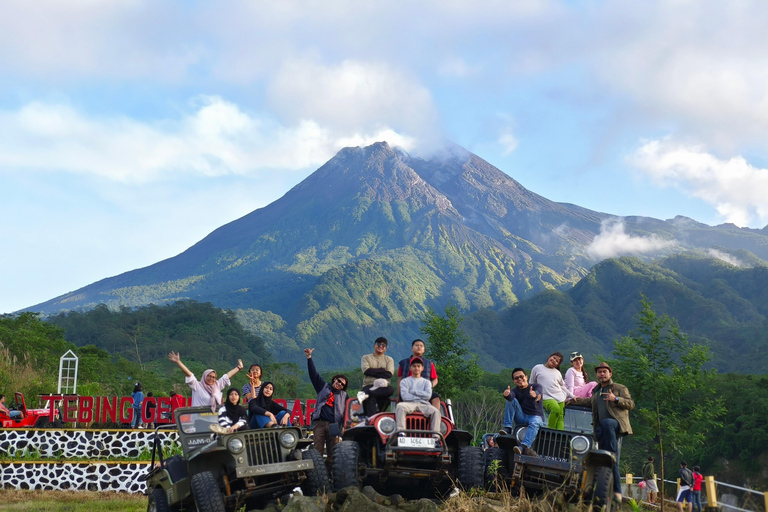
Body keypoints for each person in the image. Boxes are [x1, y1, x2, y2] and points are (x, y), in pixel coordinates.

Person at [574, 361, 634, 504]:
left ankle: (617, 490)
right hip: (602, 430)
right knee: (603, 458)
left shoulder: (618, 388)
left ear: (610, 373)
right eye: (599, 372)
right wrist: (571, 400)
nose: (601, 374)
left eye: (604, 371)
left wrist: (616, 399)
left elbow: (631, 403)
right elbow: (589, 403)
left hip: (616, 425)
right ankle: (607, 492)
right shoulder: (596, 391)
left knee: (612, 454)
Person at [305, 348, 348, 467]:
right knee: (317, 452)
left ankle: (330, 477)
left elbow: (347, 412)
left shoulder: (344, 396)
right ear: (335, 379)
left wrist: (343, 426)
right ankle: (318, 477)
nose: (339, 384)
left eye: (342, 384)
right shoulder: (323, 387)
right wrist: (309, 358)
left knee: (333, 454)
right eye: (339, 381)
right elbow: (313, 374)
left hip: (334, 425)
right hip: (319, 423)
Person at [168, 351, 243, 411]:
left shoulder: (217, 385)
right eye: (209, 376)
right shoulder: (197, 386)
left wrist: (238, 368)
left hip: (214, 418)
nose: (211, 379)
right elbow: (189, 374)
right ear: (204, 376)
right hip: (199, 419)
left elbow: (227, 376)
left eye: (214, 377)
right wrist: (178, 362)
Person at [500, 367, 544, 457]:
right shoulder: (514, 390)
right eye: (516, 378)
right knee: (510, 400)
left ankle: (523, 446)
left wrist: (534, 395)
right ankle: (507, 428)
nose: (519, 379)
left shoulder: (536, 386)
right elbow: (511, 396)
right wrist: (507, 395)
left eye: (521, 376)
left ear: (526, 377)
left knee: (535, 422)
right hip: (522, 417)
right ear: (514, 381)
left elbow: (538, 394)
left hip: (535, 416)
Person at [396, 357, 441, 439]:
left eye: (418, 366)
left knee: (436, 412)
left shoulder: (427, 382)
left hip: (424, 404)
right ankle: (401, 433)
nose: (416, 368)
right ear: (410, 368)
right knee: (400, 406)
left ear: (422, 368)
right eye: (414, 366)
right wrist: (421, 395)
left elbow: (428, 395)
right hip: (409, 404)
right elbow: (405, 396)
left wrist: (413, 391)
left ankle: (435, 437)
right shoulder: (404, 381)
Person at [530, 352, 574, 429]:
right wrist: (531, 394)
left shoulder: (557, 373)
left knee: (560, 418)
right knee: (555, 409)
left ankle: (560, 439)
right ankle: (551, 431)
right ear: (549, 356)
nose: (554, 361)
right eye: (554, 358)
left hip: (560, 397)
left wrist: (572, 396)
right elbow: (531, 384)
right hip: (546, 397)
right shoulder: (537, 368)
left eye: (557, 361)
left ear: (557, 365)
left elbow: (563, 387)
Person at [397, 339, 441, 410]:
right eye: (417, 345)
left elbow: (435, 379)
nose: (419, 347)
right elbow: (400, 379)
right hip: (408, 389)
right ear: (412, 348)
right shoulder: (403, 363)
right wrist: (398, 395)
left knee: (436, 398)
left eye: (421, 346)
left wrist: (429, 386)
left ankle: (435, 418)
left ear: (424, 350)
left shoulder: (429, 364)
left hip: (424, 390)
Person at [359, 337, 395, 417]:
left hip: (383, 386)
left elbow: (389, 374)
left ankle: (367, 394)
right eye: (378, 344)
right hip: (369, 385)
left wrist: (373, 371)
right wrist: (382, 370)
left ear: (386, 348)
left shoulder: (389, 359)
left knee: (391, 390)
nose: (380, 346)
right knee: (371, 399)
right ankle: (372, 420)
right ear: (374, 346)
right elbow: (366, 371)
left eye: (383, 345)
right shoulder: (366, 357)